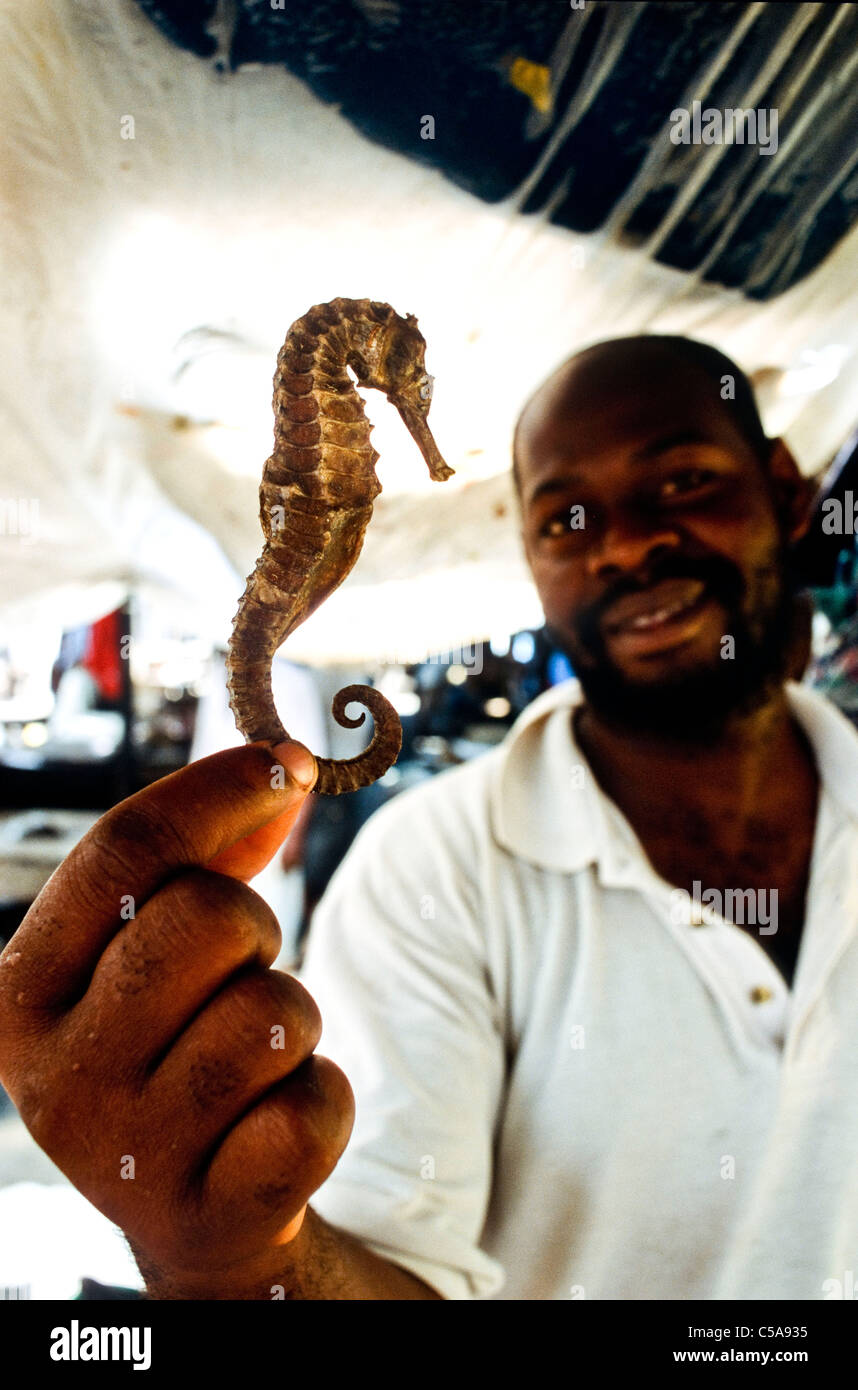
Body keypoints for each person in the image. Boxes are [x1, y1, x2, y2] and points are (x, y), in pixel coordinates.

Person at [1, 335, 855, 1301]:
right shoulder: (429, 873)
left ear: (785, 490)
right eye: (565, 519)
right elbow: (396, 1268)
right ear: (530, 557)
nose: (622, 544)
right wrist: (239, 1259)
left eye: (682, 481)